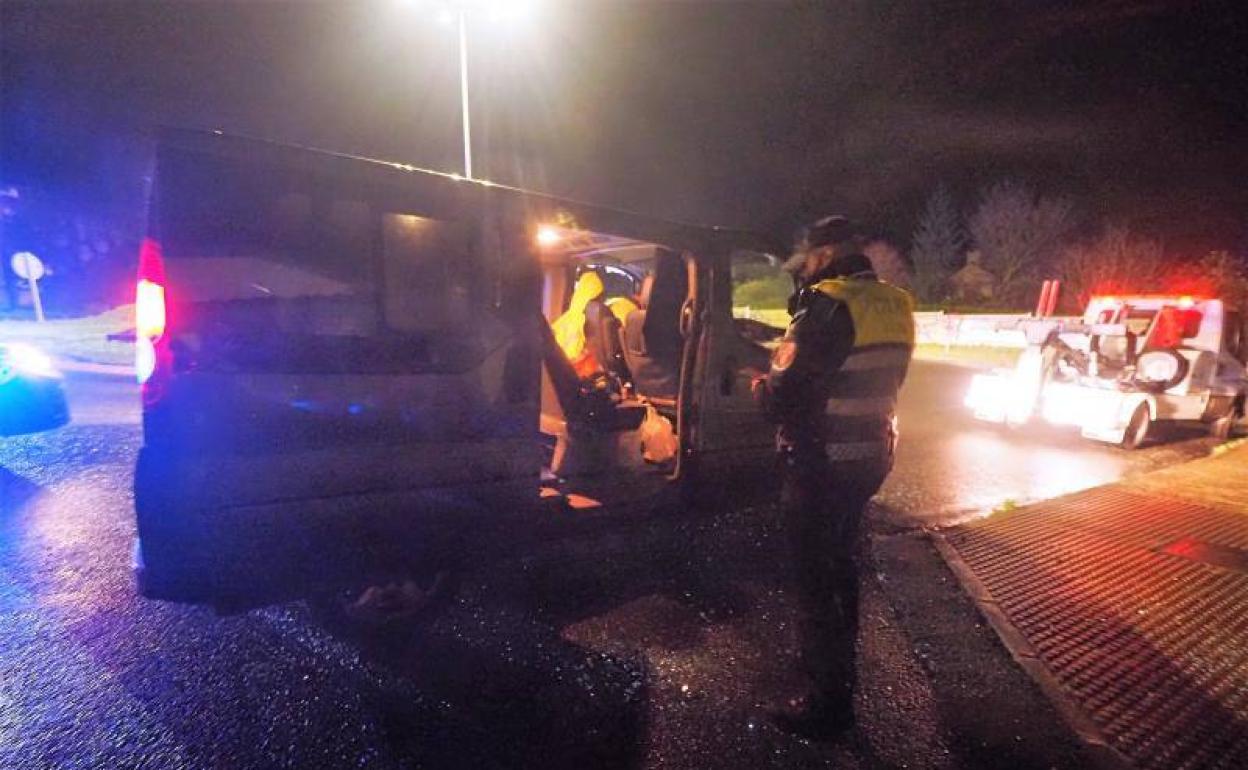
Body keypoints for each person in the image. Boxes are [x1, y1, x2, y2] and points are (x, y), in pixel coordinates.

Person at [752, 214, 915, 740]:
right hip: (869, 460)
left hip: (820, 464)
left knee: (815, 584)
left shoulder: (825, 305)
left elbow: (782, 393)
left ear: (821, 254)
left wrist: (759, 383)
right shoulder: (896, 304)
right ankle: (834, 678)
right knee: (842, 572)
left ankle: (826, 706)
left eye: (809, 259)